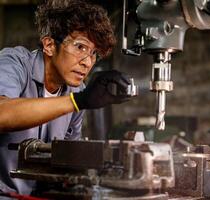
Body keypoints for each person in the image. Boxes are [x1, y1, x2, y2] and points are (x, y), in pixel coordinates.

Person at [0, 0, 131, 194]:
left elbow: (68, 159)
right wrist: (77, 102)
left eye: (94, 53)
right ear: (50, 45)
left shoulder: (77, 91)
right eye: (80, 47)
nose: (88, 62)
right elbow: (2, 113)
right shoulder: (14, 63)